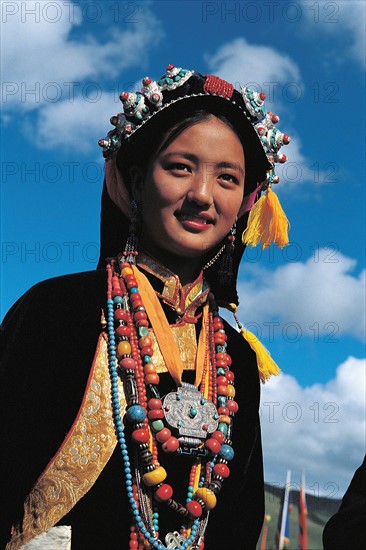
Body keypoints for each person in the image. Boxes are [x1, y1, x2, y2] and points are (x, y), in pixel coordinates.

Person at [0, 65, 290, 550]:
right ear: (134, 180)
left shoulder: (234, 357)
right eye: (180, 167)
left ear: (245, 204)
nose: (202, 195)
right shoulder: (56, 312)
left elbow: (237, 525)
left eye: (227, 178)